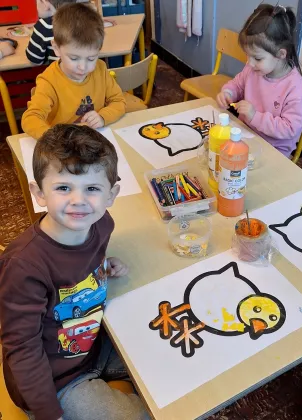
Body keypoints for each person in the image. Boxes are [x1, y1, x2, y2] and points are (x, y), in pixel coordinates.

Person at [0, 124, 150, 420]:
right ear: (39, 193)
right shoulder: (23, 266)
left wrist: (103, 265)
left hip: (93, 343)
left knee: (164, 364)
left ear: (111, 195)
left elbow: (80, 263)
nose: (78, 200)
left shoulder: (101, 223)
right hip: (57, 379)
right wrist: (48, 413)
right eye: (63, 188)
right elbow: (22, 348)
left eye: (92, 188)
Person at [216, 4, 302, 158]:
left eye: (257, 58)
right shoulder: (253, 69)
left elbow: (289, 128)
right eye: (248, 56)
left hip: (274, 151)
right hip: (245, 135)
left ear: (281, 54)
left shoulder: (295, 88)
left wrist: (255, 116)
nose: (250, 63)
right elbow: (238, 84)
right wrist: (228, 93)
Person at [22, 3, 126, 140]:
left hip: (93, 138)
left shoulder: (100, 69)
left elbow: (118, 101)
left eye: (91, 58)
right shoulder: (49, 81)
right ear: (56, 48)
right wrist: (52, 137)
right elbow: (31, 118)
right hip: (61, 142)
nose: (82, 67)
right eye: (74, 58)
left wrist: (102, 116)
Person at [26, 0, 77, 65]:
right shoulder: (86, 20)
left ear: (44, 3)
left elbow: (34, 60)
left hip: (59, 71)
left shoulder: (44, 25)